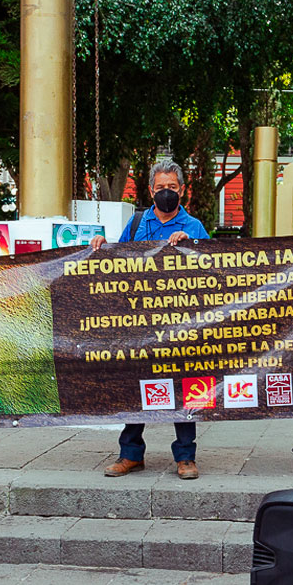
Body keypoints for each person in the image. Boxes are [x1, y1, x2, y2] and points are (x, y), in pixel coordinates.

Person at [90, 159, 209, 480]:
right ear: (150, 190)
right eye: (161, 188)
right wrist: (102, 247)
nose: (166, 193)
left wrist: (193, 247)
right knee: (135, 385)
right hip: (140, 323)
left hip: (182, 324)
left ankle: (186, 457)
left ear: (182, 190)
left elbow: (215, 269)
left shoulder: (194, 226)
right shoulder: (137, 223)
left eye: (172, 188)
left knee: (185, 390)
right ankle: (130, 454)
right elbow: (118, 261)